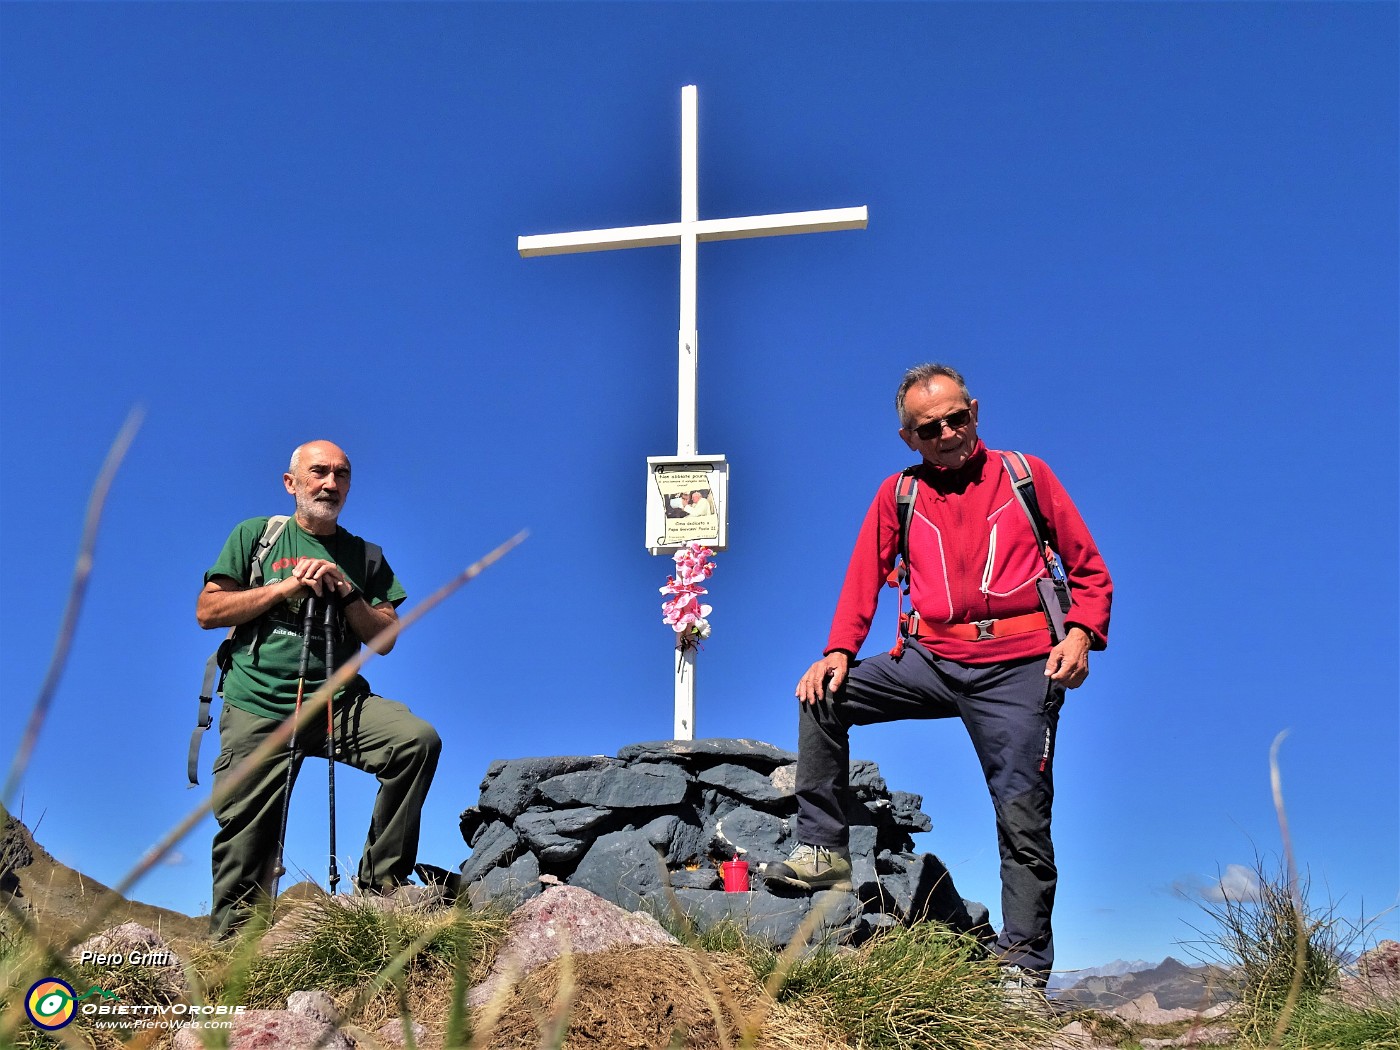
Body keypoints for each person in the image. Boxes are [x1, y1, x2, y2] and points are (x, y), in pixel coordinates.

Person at [765, 364, 1112, 986]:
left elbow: (1089, 570)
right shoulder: (898, 494)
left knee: (1022, 813)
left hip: (1019, 666)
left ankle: (1023, 968)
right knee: (824, 695)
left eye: (958, 418)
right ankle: (823, 850)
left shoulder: (1025, 476)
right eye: (930, 428)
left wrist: (1082, 635)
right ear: (909, 438)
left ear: (975, 411)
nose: (948, 433)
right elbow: (862, 578)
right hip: (927, 661)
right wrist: (839, 650)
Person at [196, 440, 441, 938]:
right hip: (258, 704)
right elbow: (208, 611)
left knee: (415, 741)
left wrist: (347, 590)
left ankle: (382, 890)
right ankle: (233, 952)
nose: (330, 484)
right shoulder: (257, 536)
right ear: (292, 483)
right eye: (319, 473)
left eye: (342, 475)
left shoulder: (365, 556)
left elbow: (386, 637)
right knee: (246, 836)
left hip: (338, 703)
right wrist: (284, 589)